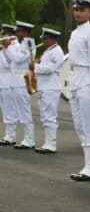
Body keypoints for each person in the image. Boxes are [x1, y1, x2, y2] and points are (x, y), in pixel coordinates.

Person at [68, 0, 90, 182]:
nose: (78, 13)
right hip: (75, 79)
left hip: (86, 80)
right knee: (80, 126)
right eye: (76, 10)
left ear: (89, 12)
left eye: (81, 10)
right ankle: (87, 165)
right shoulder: (75, 33)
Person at [3, 21, 36, 149]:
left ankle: (30, 139)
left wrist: (7, 47)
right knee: (19, 110)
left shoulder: (28, 43)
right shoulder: (22, 44)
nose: (17, 34)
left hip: (22, 80)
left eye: (19, 31)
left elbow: (17, 59)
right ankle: (25, 138)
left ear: (25, 32)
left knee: (25, 111)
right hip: (15, 80)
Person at [32, 28, 65, 154]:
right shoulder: (49, 51)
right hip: (45, 87)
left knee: (50, 116)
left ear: (52, 39)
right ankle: (47, 143)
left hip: (51, 88)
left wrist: (33, 66)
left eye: (45, 39)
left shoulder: (56, 51)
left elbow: (49, 69)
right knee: (45, 116)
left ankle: (51, 144)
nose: (43, 41)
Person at [0, 24, 16, 146]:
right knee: (5, 110)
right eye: (3, 34)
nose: (4, 37)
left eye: (6, 34)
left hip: (10, 82)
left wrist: (4, 50)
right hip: (2, 81)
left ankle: (11, 136)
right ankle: (8, 135)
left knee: (9, 110)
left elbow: (8, 65)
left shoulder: (15, 47)